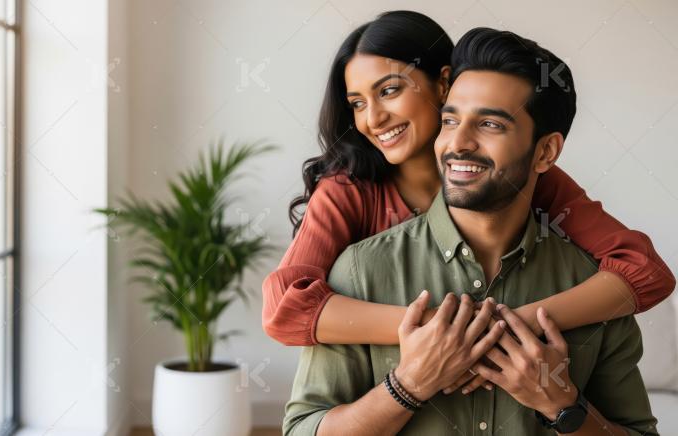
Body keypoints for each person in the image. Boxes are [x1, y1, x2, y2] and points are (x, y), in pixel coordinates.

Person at [263, 10, 674, 394]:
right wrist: (444, 332)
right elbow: (284, 308)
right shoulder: (349, 191)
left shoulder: (516, 174)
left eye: (388, 91)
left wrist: (513, 325)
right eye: (357, 103)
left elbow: (645, 271)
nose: (372, 119)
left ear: (443, 84)